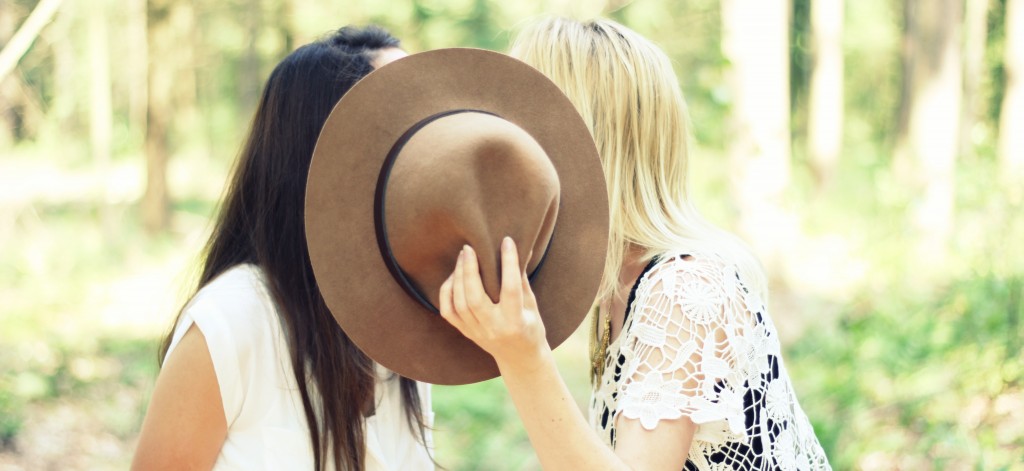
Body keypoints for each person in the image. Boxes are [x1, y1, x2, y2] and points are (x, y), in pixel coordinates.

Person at [439, 17, 832, 470]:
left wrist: (524, 359)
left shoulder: (684, 290)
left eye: (518, 127)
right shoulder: (622, 284)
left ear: (582, 144)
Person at [131, 26, 434, 471]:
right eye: (404, 126)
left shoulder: (408, 327)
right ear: (328, 156)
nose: (432, 151)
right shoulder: (231, 323)